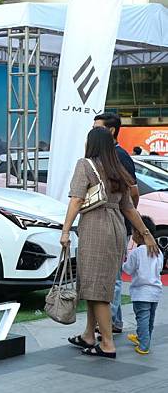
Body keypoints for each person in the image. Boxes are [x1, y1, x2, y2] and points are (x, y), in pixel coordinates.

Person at [62, 127, 158, 359]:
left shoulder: (85, 165)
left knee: (97, 289)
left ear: (91, 144)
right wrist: (145, 232)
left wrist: (65, 231)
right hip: (116, 228)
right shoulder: (117, 168)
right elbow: (128, 207)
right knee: (99, 283)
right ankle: (88, 334)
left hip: (96, 227)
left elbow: (76, 200)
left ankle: (106, 343)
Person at [93, 112, 139, 334]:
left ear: (111, 131)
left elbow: (133, 193)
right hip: (105, 225)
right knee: (109, 276)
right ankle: (113, 322)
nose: (92, 133)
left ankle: (109, 324)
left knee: (113, 276)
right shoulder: (102, 156)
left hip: (118, 225)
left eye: (97, 128)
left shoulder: (119, 156)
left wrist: (126, 214)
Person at [123, 215, 163, 355]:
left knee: (142, 318)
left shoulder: (136, 252)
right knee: (149, 318)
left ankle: (143, 345)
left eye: (133, 232)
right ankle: (143, 338)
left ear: (139, 234)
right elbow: (159, 268)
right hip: (155, 292)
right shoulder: (159, 252)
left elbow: (127, 269)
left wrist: (123, 262)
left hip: (141, 293)